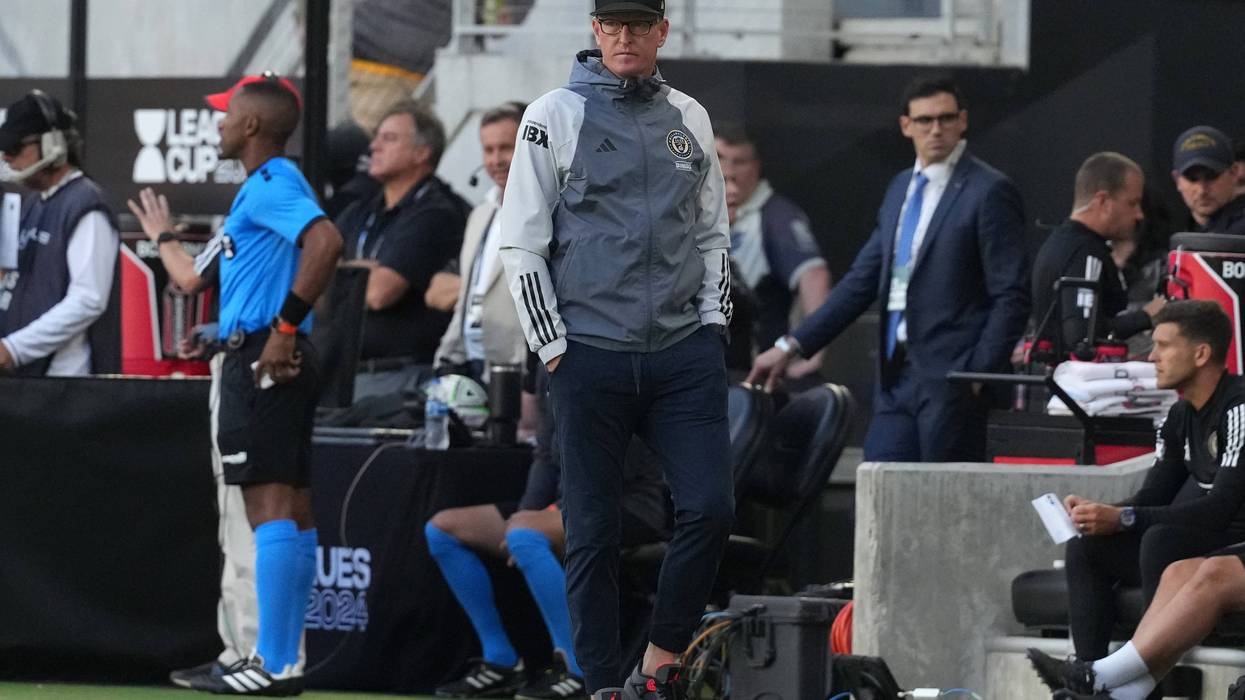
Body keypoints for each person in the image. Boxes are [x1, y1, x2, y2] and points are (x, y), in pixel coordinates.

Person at [498, 0, 734, 696]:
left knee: (711, 509)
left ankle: (661, 655)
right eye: (611, 25)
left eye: (638, 25)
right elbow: (521, 239)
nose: (624, 37)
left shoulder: (688, 115)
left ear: (662, 31)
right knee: (591, 531)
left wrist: (712, 327)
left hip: (683, 351)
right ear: (594, 31)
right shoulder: (552, 114)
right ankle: (600, 682)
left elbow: (712, 230)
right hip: (586, 352)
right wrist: (552, 346)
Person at [128, 73, 344, 696]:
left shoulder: (275, 182)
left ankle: (272, 665)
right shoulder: (261, 190)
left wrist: (281, 327)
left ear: (251, 126)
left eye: (226, 116)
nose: (219, 125)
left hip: (266, 359)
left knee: (269, 507)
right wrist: (227, 327)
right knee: (293, 511)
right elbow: (199, 281)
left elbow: (325, 241)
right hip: (257, 348)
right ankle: (276, 663)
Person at [748, 75, 1029, 462]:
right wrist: (790, 346)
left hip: (953, 380)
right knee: (881, 490)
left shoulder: (989, 190)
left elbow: (1011, 294)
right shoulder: (901, 188)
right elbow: (860, 283)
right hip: (896, 376)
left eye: (946, 118)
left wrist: (978, 375)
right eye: (925, 120)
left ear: (963, 121)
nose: (936, 129)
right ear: (905, 126)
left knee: (938, 506)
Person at [426, 358, 670, 699]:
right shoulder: (547, 361)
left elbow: (614, 470)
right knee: (444, 529)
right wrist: (526, 512)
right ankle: (502, 661)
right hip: (566, 503)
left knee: (526, 537)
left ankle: (579, 671)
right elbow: (544, 453)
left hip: (628, 508)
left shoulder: (620, 361)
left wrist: (534, 520)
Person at [1036, 300, 1245, 671]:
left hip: (1233, 544)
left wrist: (1126, 518)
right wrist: (1101, 514)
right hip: (1199, 540)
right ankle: (1089, 679)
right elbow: (1154, 495)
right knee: (1087, 548)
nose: (1151, 358)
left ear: (1200, 354)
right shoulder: (1178, 414)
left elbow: (1221, 509)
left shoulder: (1238, 406)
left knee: (1160, 538)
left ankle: (1146, 678)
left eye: (1164, 346)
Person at [335, 101, 470, 400]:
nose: (374, 147)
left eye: (389, 139)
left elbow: (379, 293)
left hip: (402, 378)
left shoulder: (436, 212)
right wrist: (364, 270)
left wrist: (345, 272)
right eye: (376, 137)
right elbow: (315, 274)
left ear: (422, 153)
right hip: (348, 374)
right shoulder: (361, 209)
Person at [0, 89, 120, 376]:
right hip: (29, 382)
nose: (7, 158)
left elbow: (88, 299)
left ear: (53, 144)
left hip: (66, 388)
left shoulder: (85, 204)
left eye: (15, 148)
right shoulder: (32, 204)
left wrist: (13, 349)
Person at [714, 122, 830, 376]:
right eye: (720, 158)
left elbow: (814, 276)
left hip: (750, 369)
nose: (728, 171)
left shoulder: (777, 217)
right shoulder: (693, 211)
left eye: (739, 162)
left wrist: (814, 351)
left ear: (756, 166)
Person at [1031, 152, 1165, 358]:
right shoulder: (1084, 252)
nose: (1139, 214)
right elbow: (1081, 337)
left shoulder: (1062, 243)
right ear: (1103, 201)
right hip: (1079, 386)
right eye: (1132, 203)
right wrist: (1146, 316)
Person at [434, 102, 529, 378]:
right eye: (488, 150)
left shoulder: (550, 210)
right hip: (470, 363)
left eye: (506, 148)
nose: (496, 160)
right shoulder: (480, 214)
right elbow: (468, 294)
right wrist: (446, 357)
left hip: (518, 370)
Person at [1171, 125, 1245, 235]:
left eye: (1211, 176)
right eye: (1192, 179)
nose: (1202, 190)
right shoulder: (1167, 231)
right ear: (1177, 180)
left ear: (1233, 173)